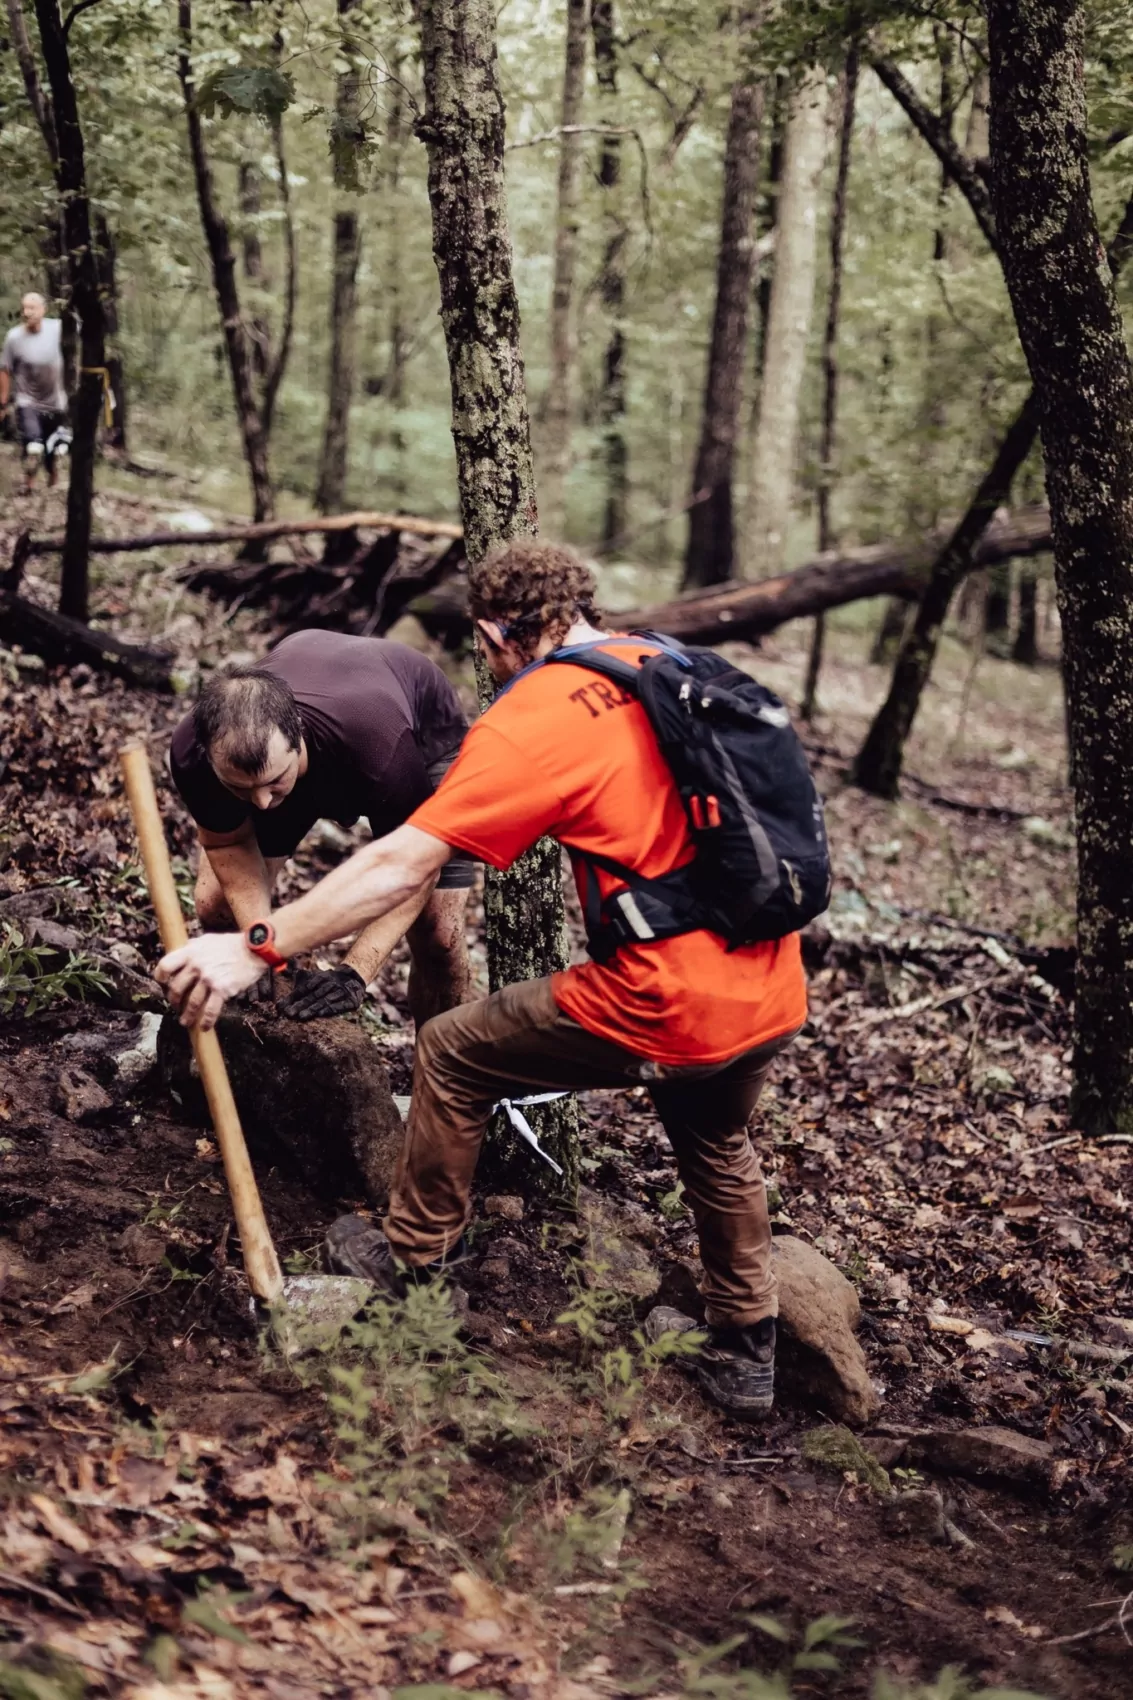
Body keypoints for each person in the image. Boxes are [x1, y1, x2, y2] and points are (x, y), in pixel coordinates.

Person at [156, 543, 808, 1420]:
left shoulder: (535, 713)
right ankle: (745, 1351)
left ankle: (417, 1266)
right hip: (768, 984)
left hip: (665, 994)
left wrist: (258, 946)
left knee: (452, 1048)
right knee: (713, 1135)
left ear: (495, 632)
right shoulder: (655, 660)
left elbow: (401, 863)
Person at [168, 628, 476, 1025]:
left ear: (297, 733)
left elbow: (418, 866)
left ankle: (445, 1069)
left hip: (421, 734)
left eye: (272, 783)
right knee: (216, 906)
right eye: (240, 788)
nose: (261, 803)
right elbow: (228, 845)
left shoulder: (380, 747)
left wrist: (355, 973)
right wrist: (260, 946)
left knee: (439, 935)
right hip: (311, 742)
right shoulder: (193, 750)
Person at [0, 293, 69, 493]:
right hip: (27, 401)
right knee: (33, 445)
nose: (27, 312)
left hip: (56, 401)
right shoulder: (14, 337)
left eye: (32, 308)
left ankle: (53, 481)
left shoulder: (58, 328)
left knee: (53, 450)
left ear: (43, 309)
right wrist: (3, 401)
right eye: (25, 308)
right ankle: (28, 484)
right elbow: (4, 369)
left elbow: (82, 333)